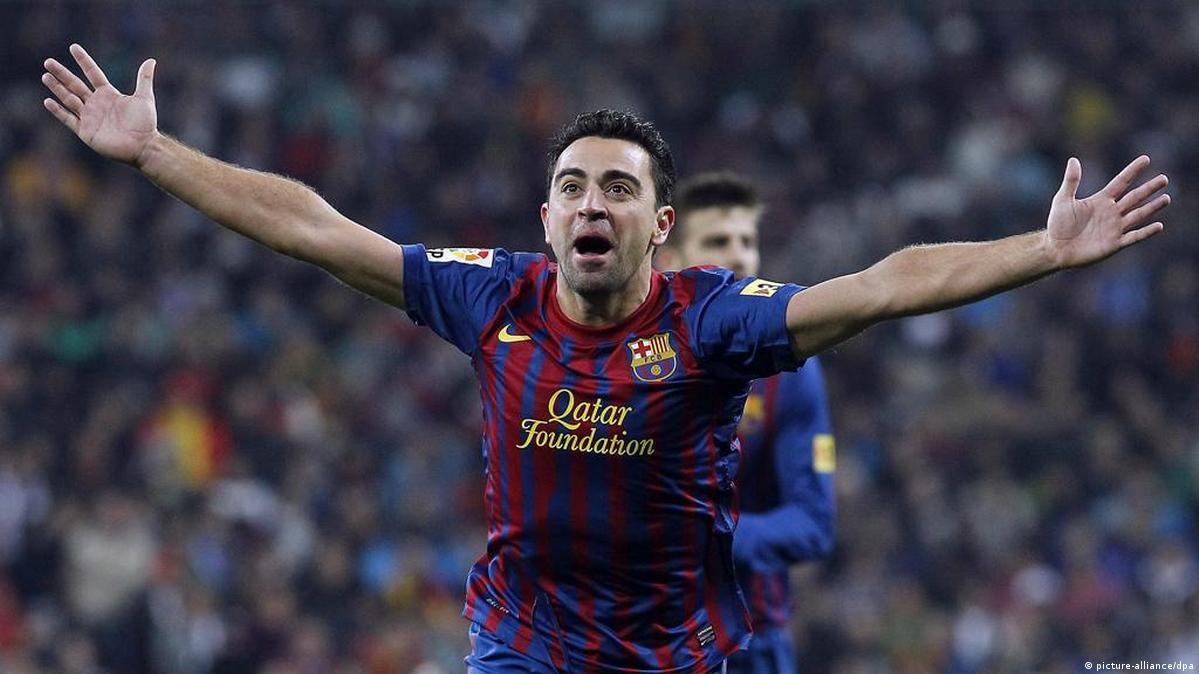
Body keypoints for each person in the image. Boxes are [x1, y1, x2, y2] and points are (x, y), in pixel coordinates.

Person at [40, 45, 1170, 673]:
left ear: (658, 224)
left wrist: (1039, 249)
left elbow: (880, 285)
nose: (592, 202)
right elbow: (313, 229)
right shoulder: (493, 296)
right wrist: (154, 154)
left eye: (618, 188)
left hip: (675, 653)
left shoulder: (711, 321)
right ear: (545, 215)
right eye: (573, 185)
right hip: (521, 642)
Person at [657, 173, 833, 674]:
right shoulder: (629, 357)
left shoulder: (791, 372)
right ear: (670, 260)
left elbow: (814, 524)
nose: (738, 257)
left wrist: (702, 535)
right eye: (718, 242)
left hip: (750, 641)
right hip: (636, 637)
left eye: (747, 242)